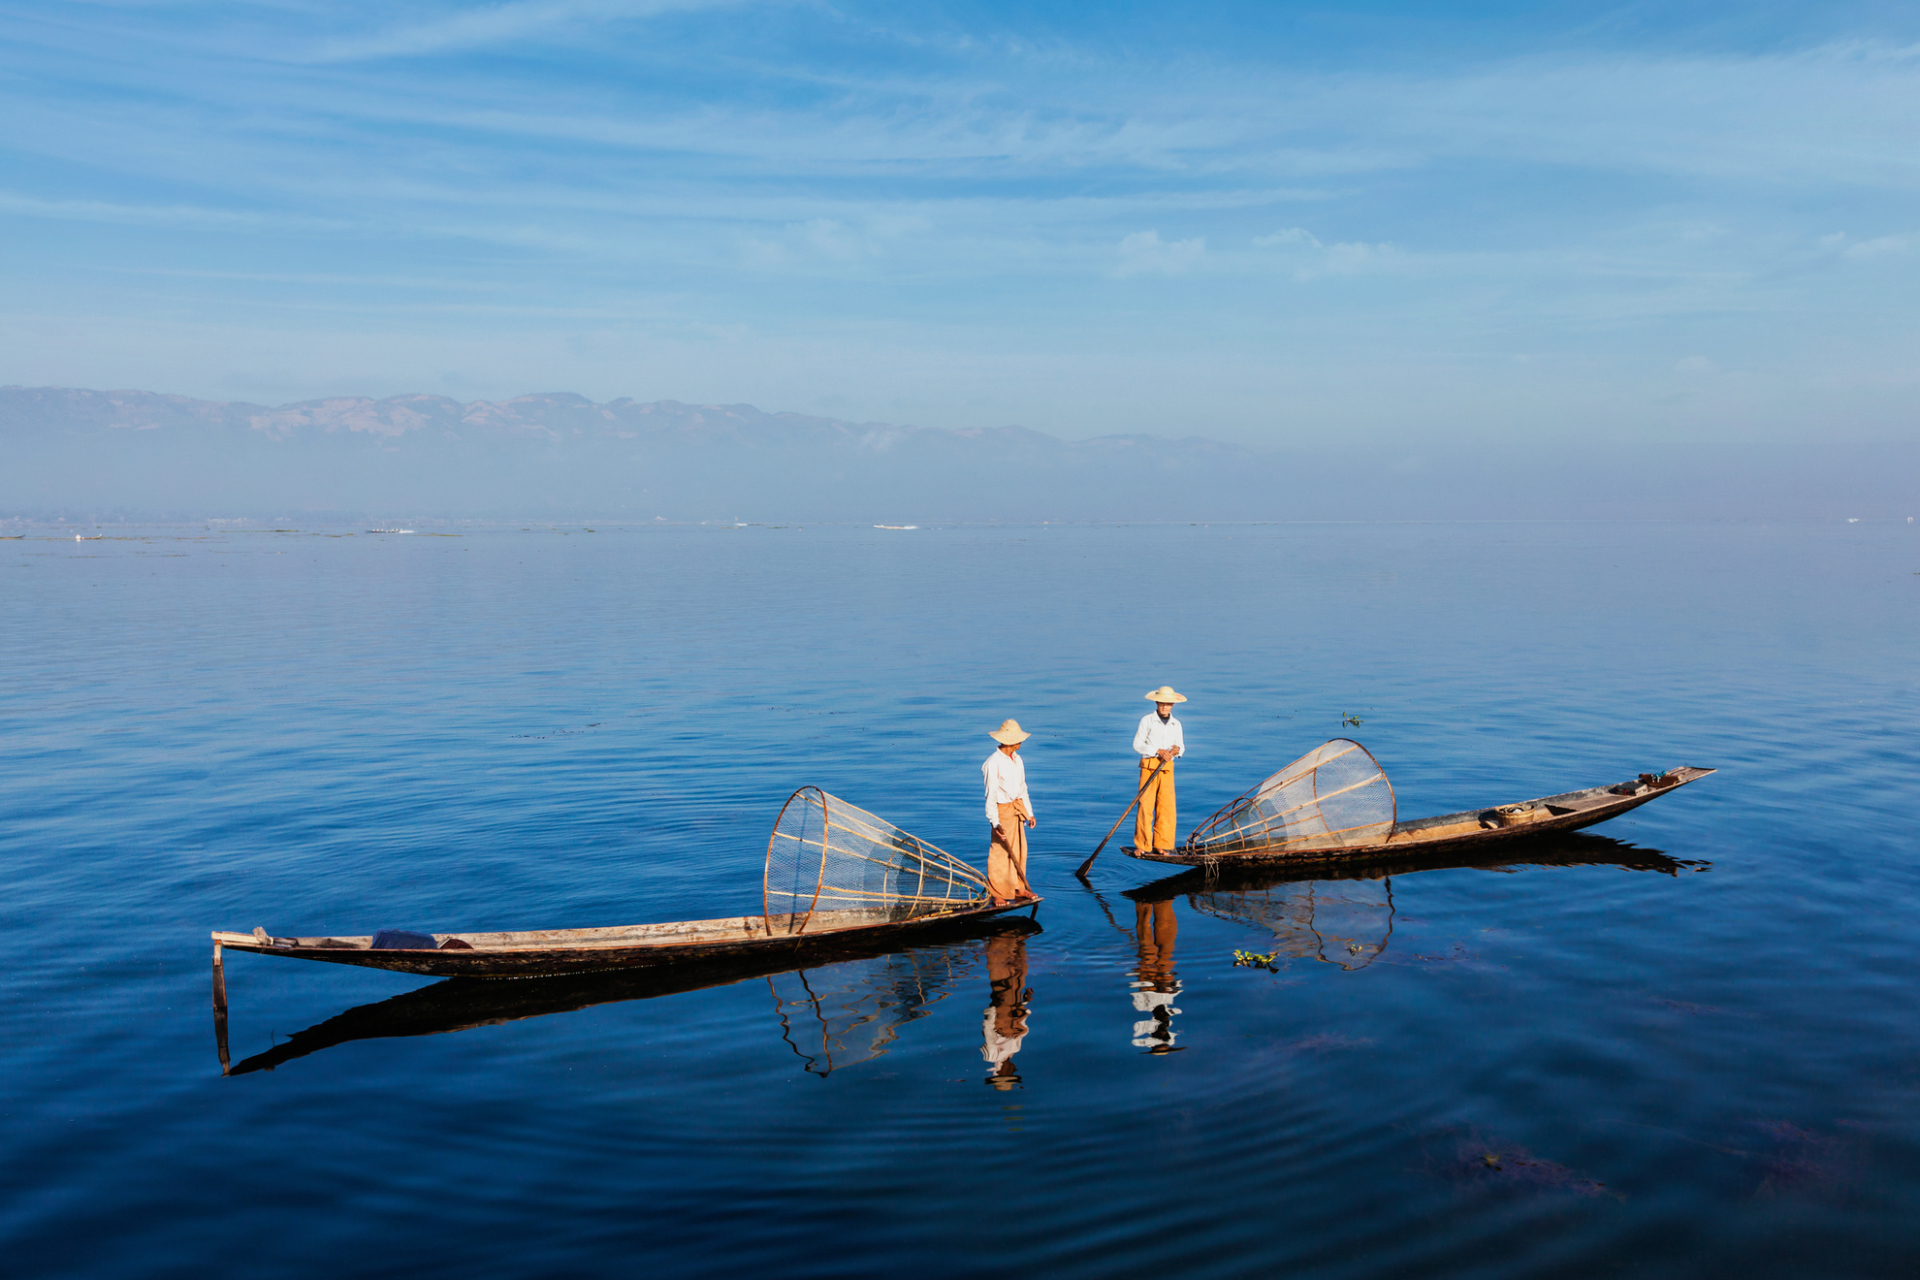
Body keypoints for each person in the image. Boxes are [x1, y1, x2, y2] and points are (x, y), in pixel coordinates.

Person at [982, 719, 1037, 906]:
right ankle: (996, 892)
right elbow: (990, 797)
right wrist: (995, 822)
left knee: (1020, 849)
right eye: (1018, 739)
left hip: (1017, 808)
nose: (1021, 742)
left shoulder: (1018, 760)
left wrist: (1029, 813)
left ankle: (1019, 887)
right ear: (1009, 741)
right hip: (1002, 810)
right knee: (1000, 851)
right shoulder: (992, 763)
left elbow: (1023, 788)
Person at [1133, 686, 1188, 855]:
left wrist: (1177, 750)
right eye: (1162, 703)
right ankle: (1142, 845)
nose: (1164, 706)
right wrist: (1157, 750)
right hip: (1149, 765)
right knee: (1145, 805)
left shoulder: (1176, 724)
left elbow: (1181, 745)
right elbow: (1137, 744)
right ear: (1156, 703)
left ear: (1172, 705)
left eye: (1168, 704)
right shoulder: (1147, 721)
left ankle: (1161, 845)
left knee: (1166, 806)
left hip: (1166, 767)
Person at [981, 929, 1032, 1090]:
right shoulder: (1014, 1050)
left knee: (1003, 976)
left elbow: (988, 1030)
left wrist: (994, 1010)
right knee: (1017, 975)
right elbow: (1022, 1026)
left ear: (1003, 1073)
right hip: (1015, 1010)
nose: (1014, 1068)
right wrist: (1025, 1003)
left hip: (1002, 1014)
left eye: (1011, 1072)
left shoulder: (991, 1056)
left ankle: (1002, 939)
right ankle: (1015, 940)